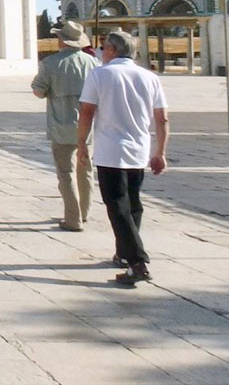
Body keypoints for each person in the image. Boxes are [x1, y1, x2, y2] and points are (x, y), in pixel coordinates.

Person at [76, 30, 169, 287]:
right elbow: (161, 118)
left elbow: (86, 113)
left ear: (113, 50)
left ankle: (137, 261)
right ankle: (123, 254)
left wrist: (82, 143)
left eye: (103, 47)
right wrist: (160, 151)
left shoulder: (99, 75)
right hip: (138, 150)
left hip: (110, 150)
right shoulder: (149, 77)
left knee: (117, 206)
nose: (101, 51)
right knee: (133, 205)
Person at [31, 20, 101, 231]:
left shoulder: (50, 64)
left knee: (65, 172)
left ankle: (73, 218)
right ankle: (84, 211)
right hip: (87, 126)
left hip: (61, 125)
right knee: (85, 169)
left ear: (62, 40)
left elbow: (38, 90)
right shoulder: (93, 63)